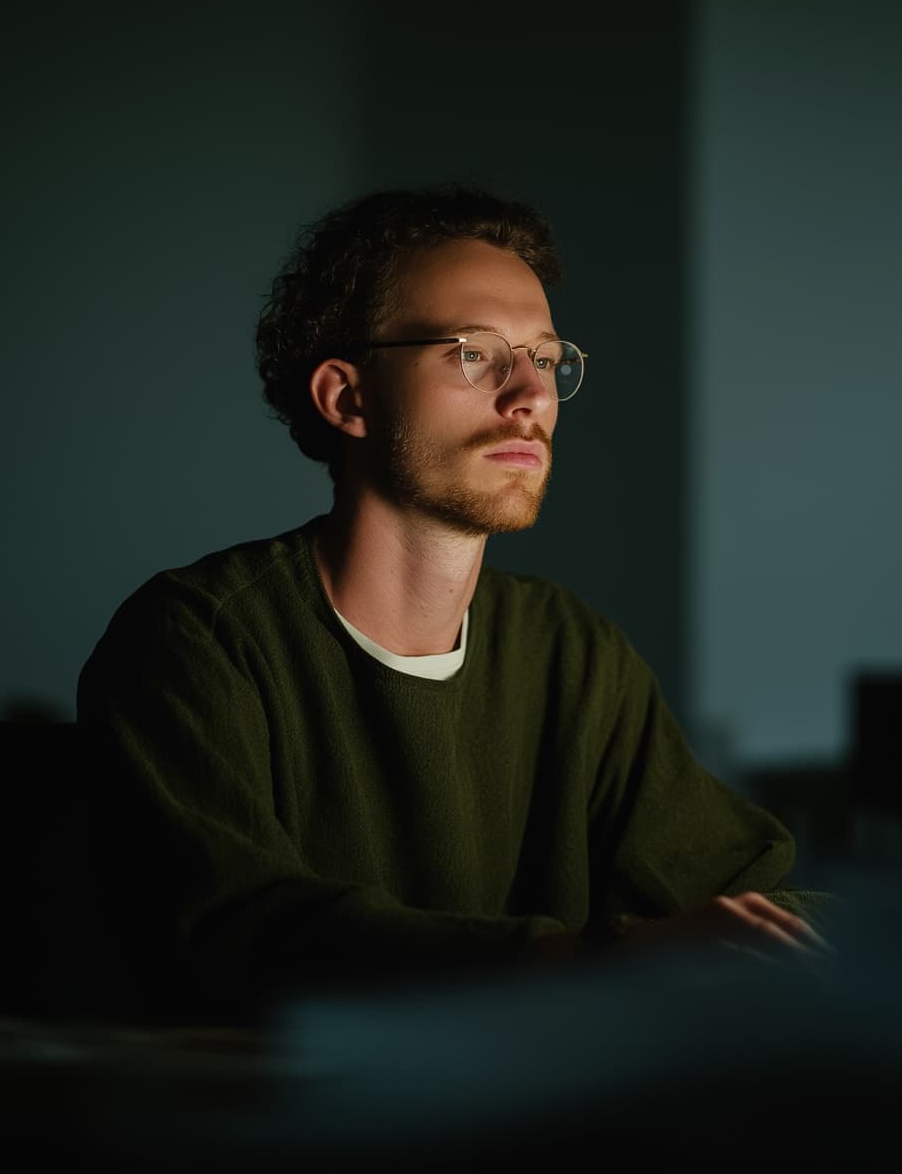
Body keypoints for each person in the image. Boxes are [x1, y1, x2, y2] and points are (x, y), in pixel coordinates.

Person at [76, 184, 831, 1023]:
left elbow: (754, 893)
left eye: (546, 358)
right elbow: (241, 933)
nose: (530, 395)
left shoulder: (574, 655)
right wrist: (592, 961)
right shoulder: (199, 641)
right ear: (347, 398)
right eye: (475, 354)